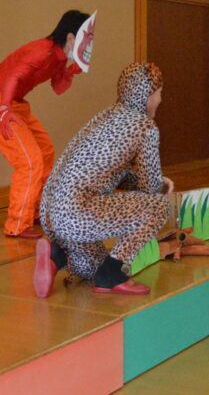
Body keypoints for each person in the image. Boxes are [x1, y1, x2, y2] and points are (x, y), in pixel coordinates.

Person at [33, 62, 174, 297]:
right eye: (159, 93)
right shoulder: (144, 126)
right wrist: (162, 185)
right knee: (158, 207)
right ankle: (112, 276)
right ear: (147, 95)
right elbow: (149, 188)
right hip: (77, 213)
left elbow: (108, 174)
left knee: (92, 267)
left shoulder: (105, 116)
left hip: (51, 215)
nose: (159, 100)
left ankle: (57, 256)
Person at [0, 10, 89, 238]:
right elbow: (13, 77)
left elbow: (58, 87)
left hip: (16, 103)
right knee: (29, 162)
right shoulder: (42, 51)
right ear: (71, 37)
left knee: (46, 151)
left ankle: (35, 211)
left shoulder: (59, 57)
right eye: (84, 39)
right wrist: (4, 109)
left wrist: (71, 71)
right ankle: (17, 224)